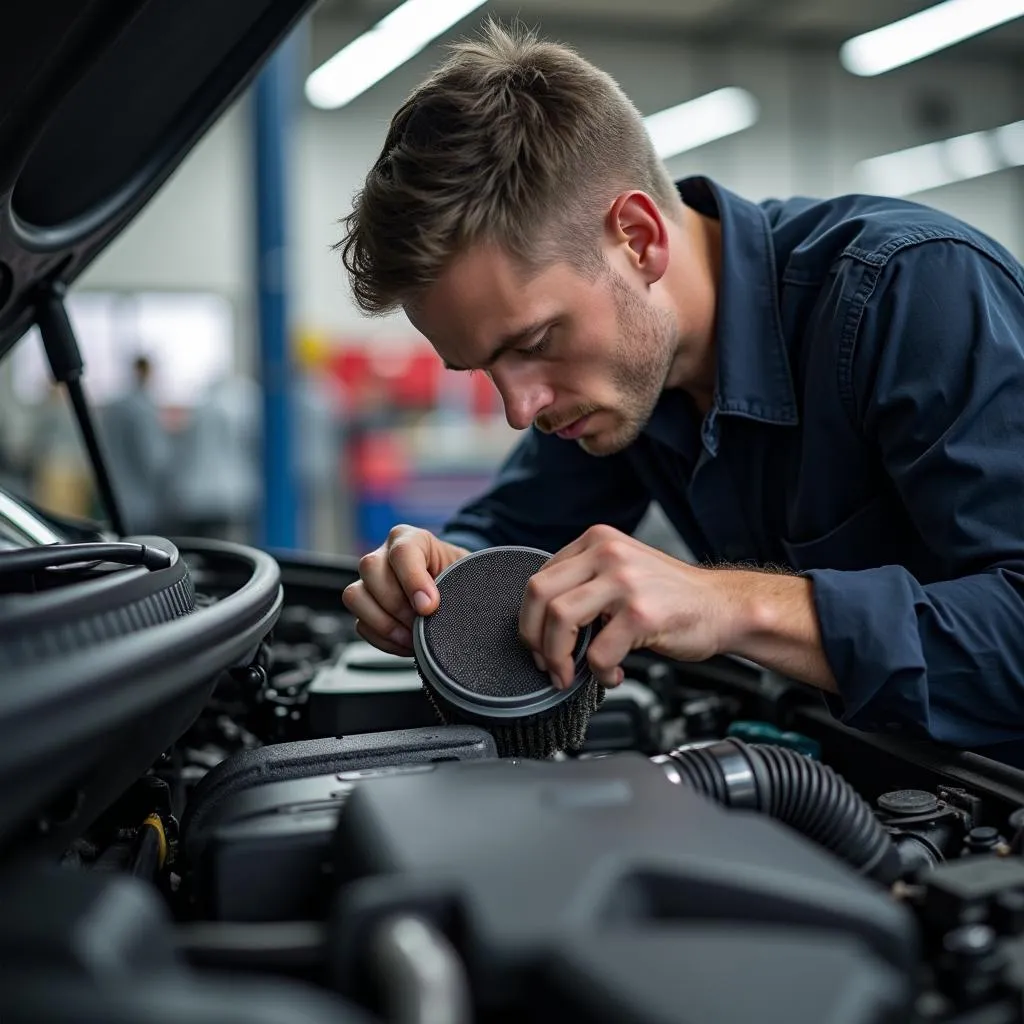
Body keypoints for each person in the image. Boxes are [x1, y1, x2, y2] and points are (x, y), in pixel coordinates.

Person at [338, 21, 1024, 764]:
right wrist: (444, 577)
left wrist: (732, 603)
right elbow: (513, 531)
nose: (520, 408)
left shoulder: (913, 292)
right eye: (482, 369)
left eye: (533, 344)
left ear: (637, 239)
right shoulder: (616, 383)